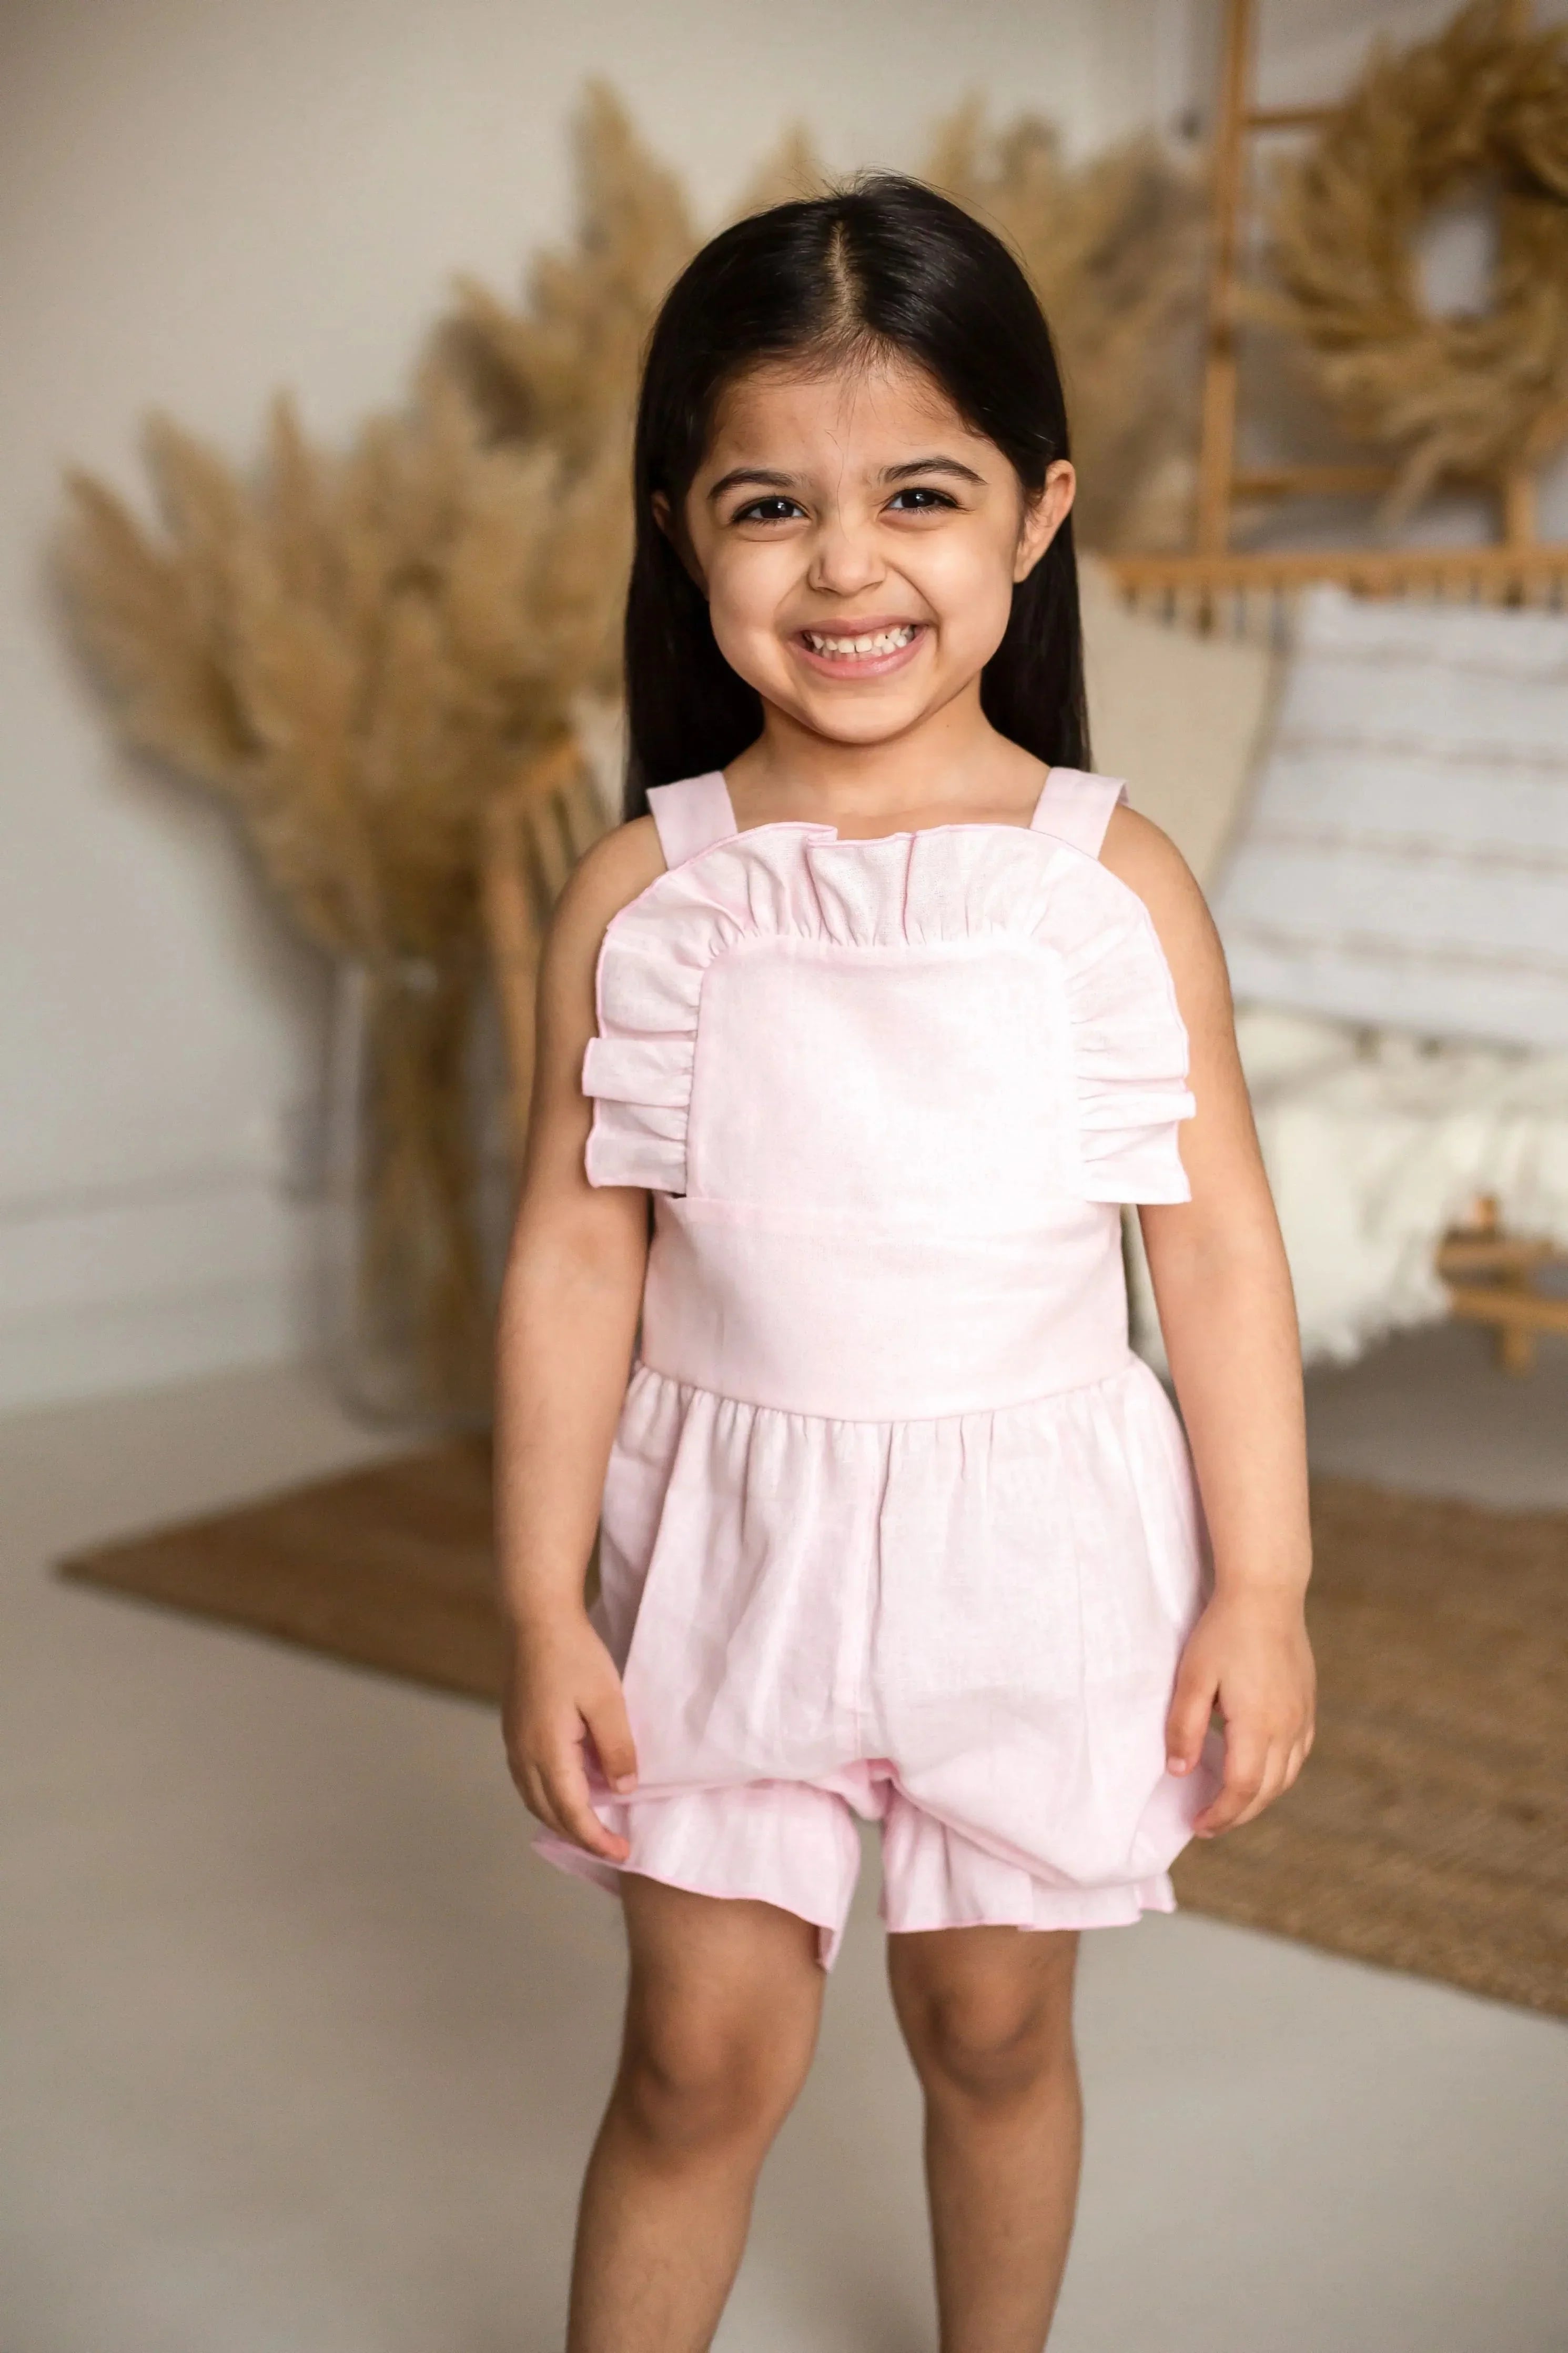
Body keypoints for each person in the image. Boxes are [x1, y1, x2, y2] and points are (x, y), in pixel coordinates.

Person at [493, 173, 1316, 2353]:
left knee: (991, 2031)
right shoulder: (646, 893)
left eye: (918, 496)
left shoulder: (1107, 884)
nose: (844, 565)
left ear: (1036, 515)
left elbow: (1216, 1250)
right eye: (770, 503)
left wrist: (1263, 1582)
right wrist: (539, 1600)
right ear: (681, 530)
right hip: (727, 1549)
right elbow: (573, 1256)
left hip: (1027, 1556)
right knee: (696, 2060)